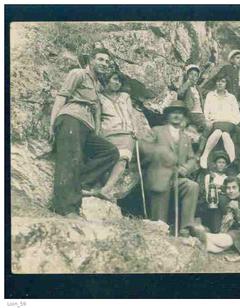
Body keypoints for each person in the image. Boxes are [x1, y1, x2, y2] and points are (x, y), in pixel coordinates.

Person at [49, 48, 119, 217]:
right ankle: (66, 208)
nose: (104, 63)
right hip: (70, 118)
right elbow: (62, 97)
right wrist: (52, 124)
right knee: (69, 160)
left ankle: (76, 182)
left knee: (110, 152)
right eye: (100, 59)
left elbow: (95, 111)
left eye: (107, 61)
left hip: (86, 127)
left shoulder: (96, 85)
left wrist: (95, 131)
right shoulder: (78, 73)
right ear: (91, 60)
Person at [143, 100, 199, 236]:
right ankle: (159, 227)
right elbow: (144, 148)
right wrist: (162, 154)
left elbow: (192, 159)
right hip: (159, 175)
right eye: (173, 112)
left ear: (184, 117)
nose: (177, 115)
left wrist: (185, 168)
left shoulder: (185, 138)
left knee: (192, 186)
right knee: (161, 184)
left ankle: (186, 227)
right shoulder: (156, 130)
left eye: (180, 113)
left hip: (177, 179)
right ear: (167, 115)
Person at [88, 71, 136, 201]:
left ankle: (105, 190)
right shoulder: (99, 97)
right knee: (108, 160)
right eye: (114, 79)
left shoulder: (125, 96)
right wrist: (97, 132)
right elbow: (97, 117)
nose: (117, 83)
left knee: (123, 159)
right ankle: (95, 188)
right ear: (106, 81)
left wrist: (135, 129)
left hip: (126, 133)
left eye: (120, 81)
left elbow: (131, 114)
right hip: (108, 133)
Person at [190, 176, 240, 256]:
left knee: (229, 238)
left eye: (234, 187)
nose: (231, 191)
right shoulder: (229, 199)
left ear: (239, 188)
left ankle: (199, 237)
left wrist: (236, 209)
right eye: (228, 188)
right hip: (239, 231)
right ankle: (201, 241)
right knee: (218, 246)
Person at [200, 75, 240, 169]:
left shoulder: (231, 97)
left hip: (229, 123)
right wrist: (208, 121)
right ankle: (206, 156)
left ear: (226, 84)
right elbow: (206, 111)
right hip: (215, 122)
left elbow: (237, 114)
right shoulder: (210, 95)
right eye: (218, 81)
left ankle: (206, 155)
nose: (220, 83)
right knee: (222, 134)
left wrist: (235, 123)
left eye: (222, 81)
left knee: (222, 132)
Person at [177, 64, 211, 134]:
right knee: (180, 127)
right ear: (187, 76)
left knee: (209, 126)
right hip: (189, 113)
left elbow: (207, 92)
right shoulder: (185, 87)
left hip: (199, 114)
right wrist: (187, 82)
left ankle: (202, 144)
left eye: (196, 75)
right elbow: (179, 94)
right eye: (191, 74)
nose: (193, 77)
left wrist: (216, 92)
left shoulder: (198, 88)